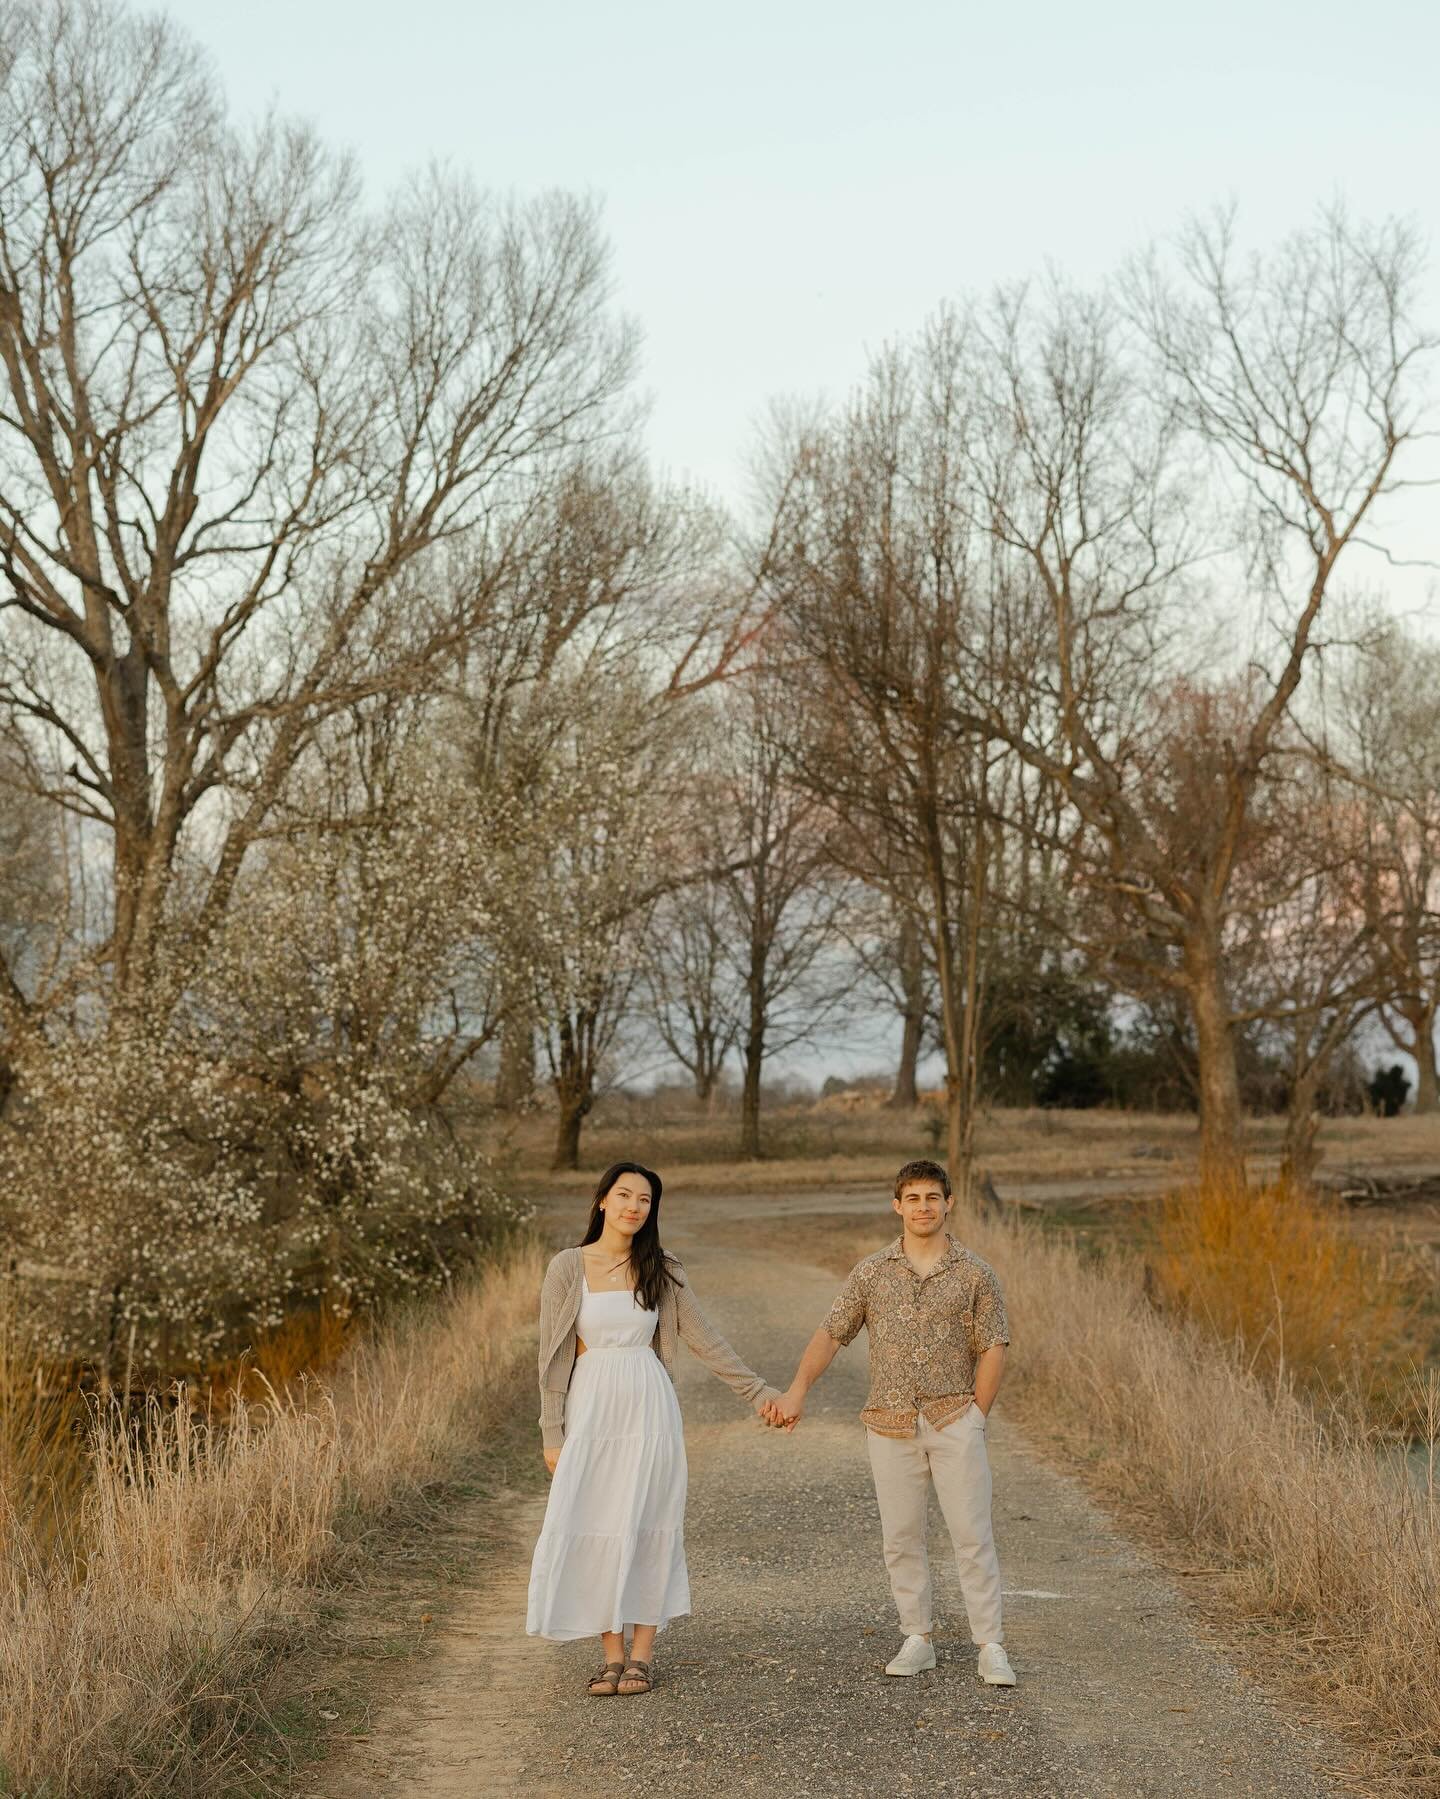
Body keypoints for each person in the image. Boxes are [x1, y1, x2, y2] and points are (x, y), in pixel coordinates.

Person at [527, 1159, 782, 1696]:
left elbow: (704, 1337)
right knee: (595, 1520)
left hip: (649, 1408)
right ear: (602, 1201)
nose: (633, 1207)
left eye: (644, 1200)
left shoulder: (662, 1268)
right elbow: (552, 1358)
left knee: (647, 1522)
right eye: (624, 1196)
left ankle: (642, 1654)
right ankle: (610, 1655)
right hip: (590, 1409)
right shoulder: (567, 1267)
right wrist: (553, 1431)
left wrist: (758, 1393)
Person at [764, 1158, 1016, 1686]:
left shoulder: (975, 1273)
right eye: (913, 1198)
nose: (923, 1207)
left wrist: (976, 1416)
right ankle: (917, 1637)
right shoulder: (872, 1272)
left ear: (949, 1204)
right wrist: (797, 1390)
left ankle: (990, 1644)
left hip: (954, 1419)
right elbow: (832, 1332)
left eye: (932, 1198)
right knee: (901, 1537)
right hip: (888, 1422)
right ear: (896, 1205)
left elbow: (993, 1346)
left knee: (971, 1534)